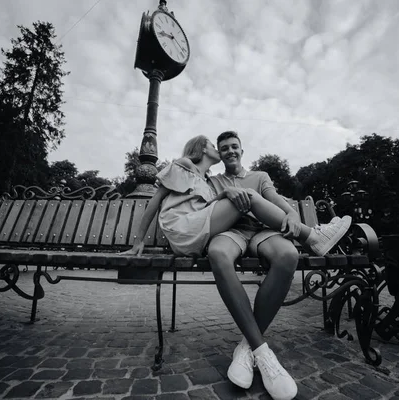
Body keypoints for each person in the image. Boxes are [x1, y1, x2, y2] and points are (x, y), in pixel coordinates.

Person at [122, 134, 351, 400]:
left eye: (233, 147)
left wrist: (290, 213)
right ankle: (314, 237)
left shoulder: (241, 177)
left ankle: (249, 347)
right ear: (208, 150)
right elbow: (175, 201)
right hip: (212, 232)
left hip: (252, 232)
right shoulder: (199, 173)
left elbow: (275, 202)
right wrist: (139, 241)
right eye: (221, 148)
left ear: (242, 150)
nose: (227, 151)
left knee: (285, 251)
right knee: (226, 239)